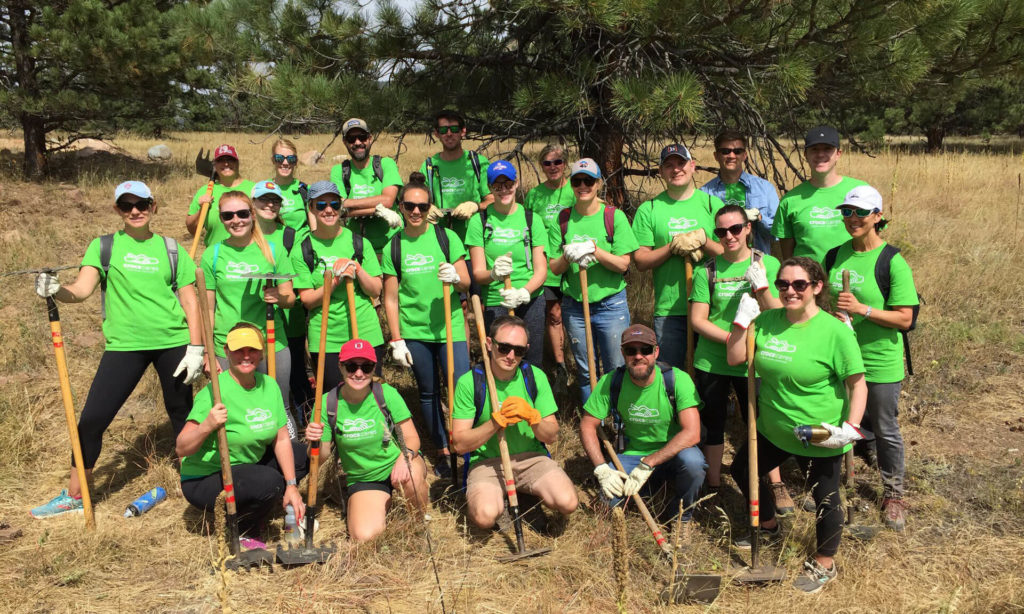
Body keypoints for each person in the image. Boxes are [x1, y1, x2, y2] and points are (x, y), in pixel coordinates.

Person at [31, 181, 202, 518]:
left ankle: (194, 482)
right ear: (117, 211)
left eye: (142, 204)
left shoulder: (171, 249)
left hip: (173, 343)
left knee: (182, 413)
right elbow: (80, 290)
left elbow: (189, 301)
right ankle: (75, 496)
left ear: (154, 206)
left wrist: (196, 348)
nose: (135, 211)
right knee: (92, 420)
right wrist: (56, 290)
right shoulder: (103, 247)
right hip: (125, 346)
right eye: (127, 206)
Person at [726, 257, 867, 594]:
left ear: (817, 287)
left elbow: (858, 384)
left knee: (826, 497)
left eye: (799, 285)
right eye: (783, 284)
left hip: (817, 434)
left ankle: (824, 562)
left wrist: (851, 428)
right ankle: (770, 525)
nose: (790, 291)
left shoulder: (834, 332)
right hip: (772, 428)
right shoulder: (769, 320)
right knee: (743, 469)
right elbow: (734, 358)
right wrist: (740, 323)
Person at [688, 205, 794, 512]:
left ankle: (774, 483)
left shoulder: (769, 263)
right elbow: (698, 320)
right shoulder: (706, 271)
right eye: (721, 232)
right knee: (713, 422)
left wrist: (761, 285)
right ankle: (714, 486)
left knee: (760, 422)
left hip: (756, 360)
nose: (729, 236)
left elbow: (778, 314)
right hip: (712, 360)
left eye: (736, 229)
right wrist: (733, 340)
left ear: (748, 228)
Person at [826, 185, 918, 532]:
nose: (852, 219)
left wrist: (862, 309)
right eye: (847, 212)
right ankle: (830, 483)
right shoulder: (835, 256)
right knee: (837, 419)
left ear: (878, 216)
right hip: (841, 357)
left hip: (879, 359)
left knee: (884, 427)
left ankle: (893, 494)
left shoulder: (892, 261)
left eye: (860, 213)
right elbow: (825, 303)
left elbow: (905, 319)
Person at [177, 323, 307, 545]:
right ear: (227, 352)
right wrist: (206, 425)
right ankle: (244, 526)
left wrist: (292, 485)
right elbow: (182, 447)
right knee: (271, 482)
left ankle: (268, 498)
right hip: (207, 478)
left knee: (302, 456)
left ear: (262, 352)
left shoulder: (269, 386)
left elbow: (282, 438)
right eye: (238, 350)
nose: (246, 356)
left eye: (252, 350)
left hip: (248, 464)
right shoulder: (215, 391)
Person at [383, 172, 473, 479]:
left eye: (422, 206)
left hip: (451, 329)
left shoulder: (447, 238)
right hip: (415, 332)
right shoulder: (393, 246)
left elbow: (467, 283)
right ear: (402, 207)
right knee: (428, 392)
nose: (416, 211)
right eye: (410, 206)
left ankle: (467, 447)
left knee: (461, 388)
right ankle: (443, 449)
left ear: (430, 207)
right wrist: (396, 340)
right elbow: (391, 298)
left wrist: (457, 278)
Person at [451, 315, 578, 529]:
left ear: (526, 350)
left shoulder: (535, 376)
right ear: (490, 344)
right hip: (487, 463)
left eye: (518, 351)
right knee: (484, 516)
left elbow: (552, 435)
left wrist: (532, 417)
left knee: (568, 502)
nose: (511, 356)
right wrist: (494, 424)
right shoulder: (470, 382)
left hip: (532, 459)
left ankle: (522, 492)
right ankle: (503, 499)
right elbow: (459, 444)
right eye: (504, 347)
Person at [304, 339, 429, 541]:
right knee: (364, 536)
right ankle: (381, 505)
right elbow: (320, 459)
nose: (359, 373)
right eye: (352, 366)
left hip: (397, 463)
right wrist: (315, 443)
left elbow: (412, 438)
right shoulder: (327, 403)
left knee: (413, 478)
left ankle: (418, 525)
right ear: (340, 367)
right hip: (364, 477)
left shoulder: (386, 394)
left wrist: (404, 458)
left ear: (374, 368)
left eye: (367, 367)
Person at [579, 325, 705, 522]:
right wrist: (601, 469)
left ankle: (682, 518)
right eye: (631, 351)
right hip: (632, 455)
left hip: (674, 453)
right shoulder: (611, 382)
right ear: (623, 353)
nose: (638, 356)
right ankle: (651, 490)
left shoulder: (677, 380)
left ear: (656, 352)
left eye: (645, 350)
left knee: (694, 464)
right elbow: (587, 424)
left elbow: (692, 433)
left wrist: (649, 462)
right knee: (606, 505)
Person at [549, 158, 639, 401]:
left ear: (598, 183)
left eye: (588, 180)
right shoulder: (563, 219)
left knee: (615, 366)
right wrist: (568, 257)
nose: (583, 186)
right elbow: (554, 268)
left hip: (610, 304)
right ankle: (593, 421)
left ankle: (618, 420)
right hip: (575, 306)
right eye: (577, 181)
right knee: (586, 369)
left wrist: (594, 251)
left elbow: (623, 264)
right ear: (571, 184)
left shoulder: (614, 217)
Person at [200, 191, 296, 415]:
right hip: (228, 345)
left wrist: (278, 298)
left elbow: (290, 298)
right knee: (233, 409)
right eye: (228, 216)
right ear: (221, 219)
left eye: (242, 213)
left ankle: (283, 450)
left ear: (252, 214)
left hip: (270, 341)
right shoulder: (212, 255)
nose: (236, 220)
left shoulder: (273, 250)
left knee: (279, 407)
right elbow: (207, 309)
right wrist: (208, 352)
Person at [632, 144, 725, 369]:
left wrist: (704, 240)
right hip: (669, 310)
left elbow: (728, 254)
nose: (676, 170)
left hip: (710, 306)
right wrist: (671, 247)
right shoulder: (650, 209)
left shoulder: (712, 205)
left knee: (708, 375)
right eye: (669, 165)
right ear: (661, 172)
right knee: (669, 374)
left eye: (681, 163)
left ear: (692, 166)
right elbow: (641, 261)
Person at [292, 181, 385, 391]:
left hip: (365, 331)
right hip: (327, 337)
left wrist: (358, 269)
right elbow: (307, 301)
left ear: (341, 206)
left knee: (370, 394)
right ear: (311, 208)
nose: (328, 210)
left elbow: (375, 290)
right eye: (321, 205)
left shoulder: (360, 243)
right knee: (335, 397)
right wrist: (333, 281)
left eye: (334, 204)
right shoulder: (303, 250)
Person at [466, 160, 548, 366]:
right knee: (501, 360)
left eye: (508, 184)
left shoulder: (532, 219)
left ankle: (529, 397)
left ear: (516, 183)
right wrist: (493, 273)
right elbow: (477, 273)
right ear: (490, 188)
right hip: (497, 300)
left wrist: (524, 293)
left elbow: (541, 270)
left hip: (531, 300)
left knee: (531, 359)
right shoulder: (479, 221)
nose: (504, 190)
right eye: (497, 185)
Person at [250, 180, 310, 429]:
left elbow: (296, 277)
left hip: (289, 320)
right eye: (264, 199)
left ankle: (303, 428)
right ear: (252, 204)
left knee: (294, 377)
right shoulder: (241, 234)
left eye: (275, 200)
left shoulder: (289, 236)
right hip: (253, 322)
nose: (270, 204)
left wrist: (284, 293)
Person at [771, 126, 867, 263]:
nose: (820, 154)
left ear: (838, 154)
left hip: (852, 279)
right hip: (807, 281)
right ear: (805, 155)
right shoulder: (790, 200)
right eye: (814, 149)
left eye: (827, 149)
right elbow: (788, 257)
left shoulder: (860, 191)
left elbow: (874, 241)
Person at [524, 144, 576, 387]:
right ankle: (560, 367)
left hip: (575, 259)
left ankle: (581, 360)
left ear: (565, 164)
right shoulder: (535, 195)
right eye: (547, 163)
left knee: (574, 314)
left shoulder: (576, 189)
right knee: (553, 314)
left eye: (557, 162)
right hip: (546, 262)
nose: (553, 167)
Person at [328, 118, 403, 255]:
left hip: (391, 245)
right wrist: (377, 210)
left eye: (362, 137)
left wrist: (348, 203)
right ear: (345, 142)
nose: (357, 142)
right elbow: (338, 210)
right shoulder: (338, 171)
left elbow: (388, 200)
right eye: (351, 139)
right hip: (355, 248)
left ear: (369, 138)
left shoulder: (386, 164)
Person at [700, 129, 779, 254]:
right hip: (720, 265)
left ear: (744, 155)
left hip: (757, 263)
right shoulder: (704, 194)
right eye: (725, 151)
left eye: (737, 151)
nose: (731, 156)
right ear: (716, 156)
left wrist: (759, 218)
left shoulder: (765, 188)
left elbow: (777, 232)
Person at [418, 109, 493, 239]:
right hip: (439, 239)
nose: (449, 134)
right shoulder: (429, 166)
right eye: (443, 130)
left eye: (454, 129)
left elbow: (493, 200)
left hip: (474, 241)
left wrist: (475, 206)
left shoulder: (478, 163)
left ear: (463, 131)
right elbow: (415, 202)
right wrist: (426, 208)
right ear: (436, 133)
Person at [186, 144, 256, 248]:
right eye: (221, 160)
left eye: (230, 159)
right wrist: (201, 210)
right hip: (216, 257)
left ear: (237, 163)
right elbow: (192, 230)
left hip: (248, 255)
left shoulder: (254, 189)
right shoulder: (205, 191)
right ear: (214, 165)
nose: (226, 163)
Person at [267, 138, 311, 231]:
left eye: (291, 159)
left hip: (301, 243)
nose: (285, 163)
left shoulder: (305, 190)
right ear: (273, 160)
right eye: (279, 158)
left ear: (295, 162)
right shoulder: (263, 189)